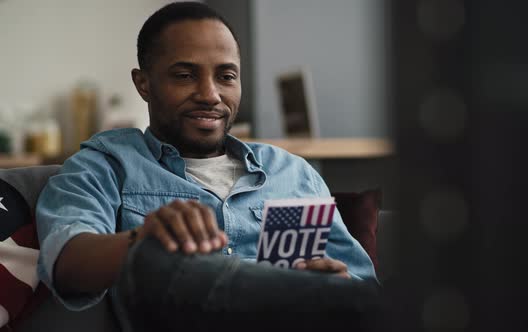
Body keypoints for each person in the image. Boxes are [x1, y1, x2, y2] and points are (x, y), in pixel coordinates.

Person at [36, 2, 384, 331]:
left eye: (226, 76)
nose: (210, 94)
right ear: (143, 83)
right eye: (185, 75)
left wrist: (336, 279)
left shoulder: (292, 173)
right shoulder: (104, 166)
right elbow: (67, 260)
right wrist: (144, 241)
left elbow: (362, 288)